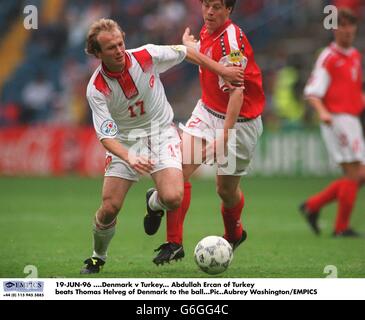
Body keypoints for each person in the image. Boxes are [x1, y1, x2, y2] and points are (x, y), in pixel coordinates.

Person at [80, 18, 244, 274]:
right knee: (109, 209)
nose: (119, 51)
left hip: (161, 133)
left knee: (172, 197)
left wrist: (222, 71)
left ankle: (153, 204)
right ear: (97, 53)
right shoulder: (97, 89)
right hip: (125, 142)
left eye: (121, 43)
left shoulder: (147, 55)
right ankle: (97, 257)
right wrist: (129, 157)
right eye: (111, 48)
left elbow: (187, 52)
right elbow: (105, 136)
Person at [145, 0, 265, 265]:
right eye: (207, 5)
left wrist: (224, 136)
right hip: (207, 111)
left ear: (229, 10)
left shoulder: (232, 40)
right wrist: (192, 48)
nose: (210, 12)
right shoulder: (207, 29)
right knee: (180, 170)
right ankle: (174, 242)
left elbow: (237, 90)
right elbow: (209, 57)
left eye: (217, 7)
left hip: (240, 122)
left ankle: (234, 233)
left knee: (225, 190)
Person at [301, 8, 365, 237]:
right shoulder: (328, 57)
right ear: (335, 29)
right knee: (352, 173)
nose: (348, 30)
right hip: (336, 119)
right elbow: (312, 92)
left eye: (351, 25)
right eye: (343, 26)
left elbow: (353, 91)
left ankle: (312, 205)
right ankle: (341, 228)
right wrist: (323, 113)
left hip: (352, 120)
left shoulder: (355, 56)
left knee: (361, 174)